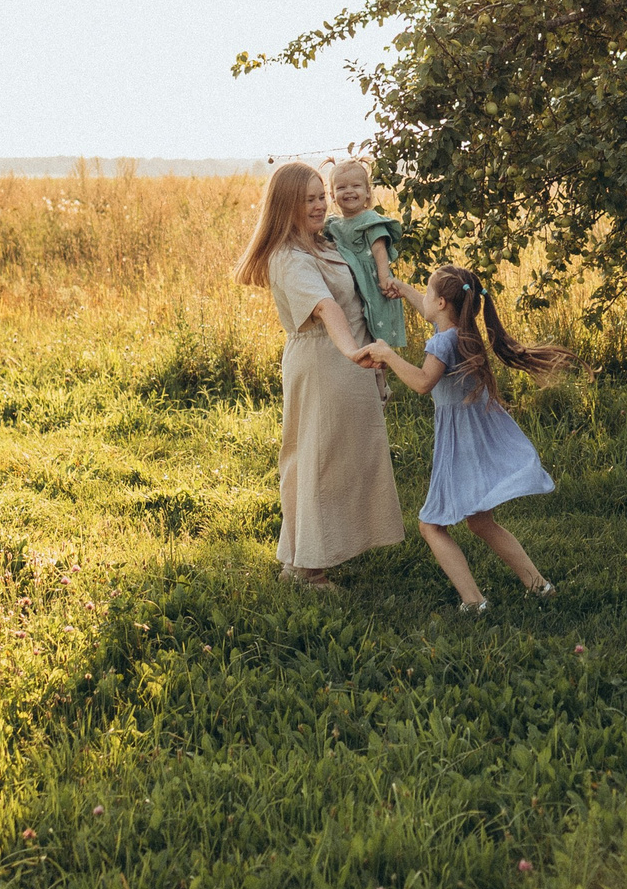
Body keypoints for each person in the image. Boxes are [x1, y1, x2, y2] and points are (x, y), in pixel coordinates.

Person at [231, 162, 402, 589]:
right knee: (318, 462)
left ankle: (301, 558)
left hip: (351, 360)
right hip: (325, 360)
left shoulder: (325, 242)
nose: (320, 205)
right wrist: (352, 351)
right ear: (286, 205)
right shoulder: (289, 257)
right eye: (308, 200)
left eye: (320, 196)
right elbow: (326, 308)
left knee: (339, 460)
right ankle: (309, 571)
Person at [361, 264, 565, 613]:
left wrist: (388, 355)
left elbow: (423, 383)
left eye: (428, 292)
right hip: (478, 436)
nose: (424, 298)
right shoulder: (462, 333)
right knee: (481, 521)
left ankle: (474, 602)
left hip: (460, 443)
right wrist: (404, 289)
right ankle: (540, 586)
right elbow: (430, 311)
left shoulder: (443, 342)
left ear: (442, 303)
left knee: (430, 525)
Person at [323, 158, 408, 353]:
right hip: (350, 283)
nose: (349, 191)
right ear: (332, 195)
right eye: (341, 187)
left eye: (356, 186)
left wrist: (384, 277)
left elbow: (379, 249)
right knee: (356, 325)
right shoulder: (333, 225)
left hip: (372, 281)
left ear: (368, 191)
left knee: (377, 323)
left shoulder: (369, 219)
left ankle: (382, 357)